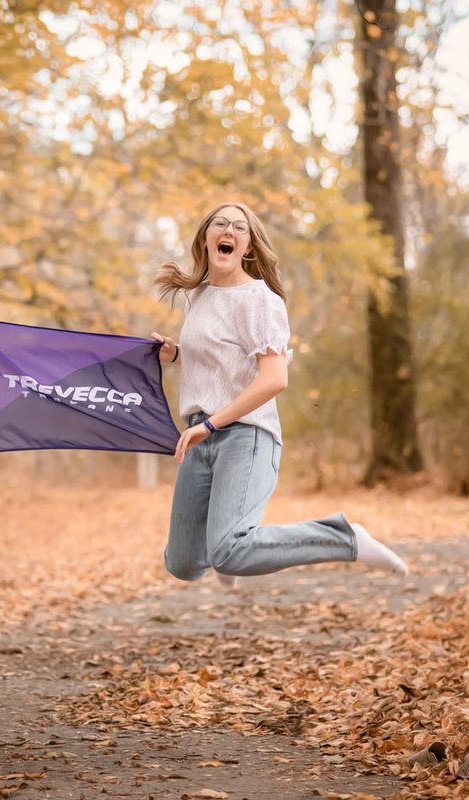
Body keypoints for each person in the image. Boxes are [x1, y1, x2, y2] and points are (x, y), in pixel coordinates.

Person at [150, 202, 408, 588]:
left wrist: (211, 424)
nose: (229, 231)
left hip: (245, 435)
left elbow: (273, 380)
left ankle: (345, 537)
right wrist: (176, 356)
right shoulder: (199, 297)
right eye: (220, 224)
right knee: (183, 563)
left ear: (248, 247)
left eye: (239, 227)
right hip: (200, 436)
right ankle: (230, 555)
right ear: (205, 239)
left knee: (229, 548)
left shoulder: (259, 299)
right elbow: (224, 361)